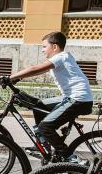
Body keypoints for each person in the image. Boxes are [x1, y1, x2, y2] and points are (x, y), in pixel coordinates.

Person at [7, 31, 93, 161]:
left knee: (45, 127)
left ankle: (70, 157)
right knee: (39, 105)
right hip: (74, 97)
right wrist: (17, 79)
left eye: (44, 46)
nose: (42, 50)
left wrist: (10, 77)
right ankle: (43, 144)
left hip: (78, 99)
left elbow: (35, 69)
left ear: (55, 47)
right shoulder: (63, 58)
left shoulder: (61, 57)